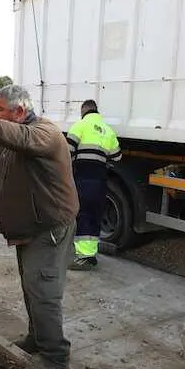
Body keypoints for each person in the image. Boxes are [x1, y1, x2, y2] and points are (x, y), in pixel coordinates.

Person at [0, 85, 79, 369]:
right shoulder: (5, 138)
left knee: (43, 291)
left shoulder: (45, 132)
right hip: (26, 230)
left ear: (20, 111)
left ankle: (55, 357)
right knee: (30, 286)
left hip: (48, 229)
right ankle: (38, 339)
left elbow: (23, 138)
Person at [65, 99, 121, 270]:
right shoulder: (108, 131)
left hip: (83, 178)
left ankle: (84, 258)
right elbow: (117, 157)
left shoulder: (80, 126)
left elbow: (67, 151)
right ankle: (91, 254)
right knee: (95, 215)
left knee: (82, 214)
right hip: (100, 181)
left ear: (83, 111)